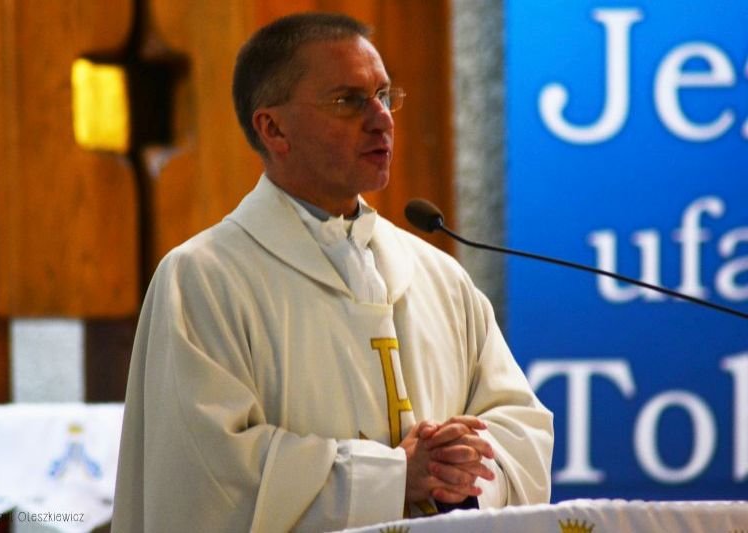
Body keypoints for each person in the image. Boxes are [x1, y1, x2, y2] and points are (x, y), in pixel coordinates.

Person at [111, 12, 553, 533]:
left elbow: (520, 422)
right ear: (273, 128)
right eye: (348, 101)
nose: (381, 119)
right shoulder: (204, 279)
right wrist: (394, 477)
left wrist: (464, 469)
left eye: (384, 96)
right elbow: (208, 475)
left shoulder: (439, 276)